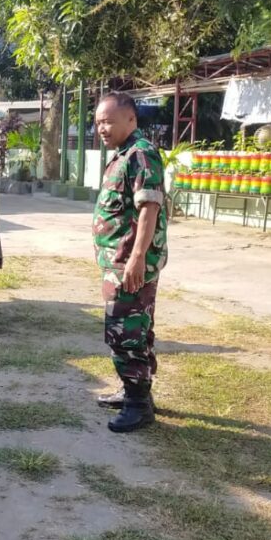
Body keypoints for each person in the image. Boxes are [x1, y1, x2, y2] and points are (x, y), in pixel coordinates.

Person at [91, 91, 168, 432]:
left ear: (131, 119)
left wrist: (136, 258)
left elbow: (149, 207)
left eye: (108, 121)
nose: (102, 129)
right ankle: (135, 392)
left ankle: (138, 405)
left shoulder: (141, 154)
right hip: (118, 260)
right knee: (136, 328)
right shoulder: (122, 155)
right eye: (98, 123)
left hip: (129, 264)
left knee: (125, 332)